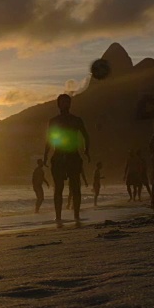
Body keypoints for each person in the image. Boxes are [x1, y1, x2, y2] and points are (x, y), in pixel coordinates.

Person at [43, 94, 90, 222]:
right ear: (58, 105)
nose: (65, 104)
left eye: (67, 102)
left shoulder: (76, 120)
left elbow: (86, 136)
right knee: (58, 188)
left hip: (73, 156)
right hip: (58, 156)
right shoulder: (53, 121)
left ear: (70, 104)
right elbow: (49, 139)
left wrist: (87, 150)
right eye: (63, 102)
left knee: (75, 187)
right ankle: (58, 217)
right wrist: (45, 156)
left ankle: (76, 215)